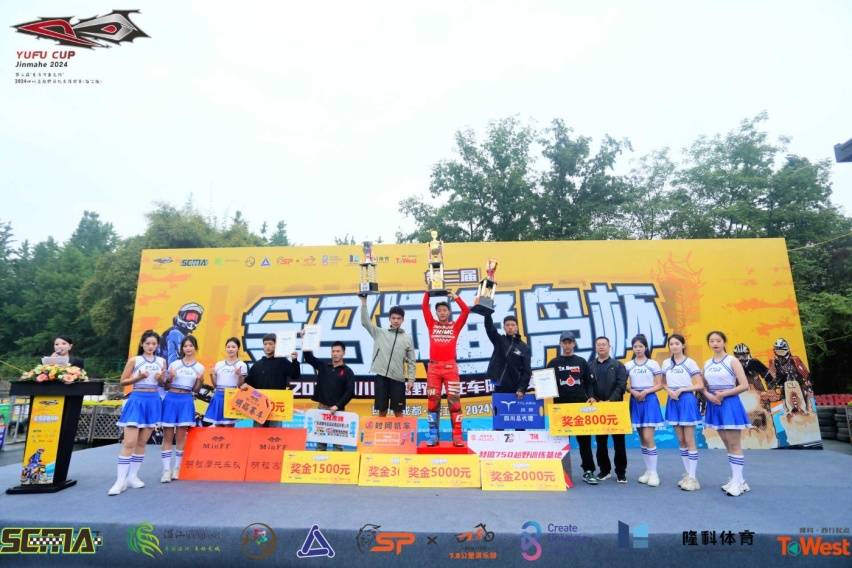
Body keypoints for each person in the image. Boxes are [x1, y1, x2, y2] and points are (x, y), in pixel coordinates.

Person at [110, 330, 166, 496]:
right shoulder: (135, 360)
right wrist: (138, 378)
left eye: (153, 344)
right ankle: (120, 481)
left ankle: (132, 477)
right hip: (136, 400)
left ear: (157, 345)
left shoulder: (162, 361)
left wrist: (161, 378)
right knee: (129, 442)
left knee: (142, 443)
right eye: (147, 343)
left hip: (153, 401)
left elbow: (163, 383)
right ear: (142, 344)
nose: (150, 346)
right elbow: (123, 381)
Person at [702, 330, 751, 497]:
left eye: (718, 340)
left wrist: (724, 394)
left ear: (724, 342)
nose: (715, 343)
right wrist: (709, 396)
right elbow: (703, 386)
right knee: (727, 444)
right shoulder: (707, 363)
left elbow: (744, 385)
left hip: (729, 404)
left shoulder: (732, 360)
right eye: (712, 341)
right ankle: (739, 480)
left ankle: (737, 482)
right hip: (715, 404)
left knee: (734, 444)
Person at [422, 289, 470, 446]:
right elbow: (424, 307)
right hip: (434, 368)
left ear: (449, 312)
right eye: (439, 310)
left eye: (444, 310)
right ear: (436, 312)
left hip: (451, 368)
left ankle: (457, 436)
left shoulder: (455, 326)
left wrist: (456, 297)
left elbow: (466, 311)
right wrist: (428, 292)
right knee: (432, 401)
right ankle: (433, 435)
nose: (442, 313)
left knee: (454, 402)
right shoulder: (431, 324)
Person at [546, 331, 595, 484]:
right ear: (560, 344)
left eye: (570, 342)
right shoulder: (553, 363)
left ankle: (588, 471)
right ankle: (561, 472)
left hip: (580, 408)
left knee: (585, 442)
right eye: (564, 342)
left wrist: (591, 396)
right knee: (561, 442)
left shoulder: (581, 361)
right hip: (560, 409)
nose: (567, 345)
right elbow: (545, 383)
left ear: (574, 343)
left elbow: (589, 383)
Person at [359, 295, 416, 417]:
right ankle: (380, 431)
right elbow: (365, 322)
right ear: (389, 319)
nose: (396, 321)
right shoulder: (379, 333)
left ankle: (400, 431)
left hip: (398, 379)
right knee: (382, 411)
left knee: (398, 412)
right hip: (381, 377)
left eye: (399, 318)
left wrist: (411, 380)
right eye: (393, 318)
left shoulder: (407, 338)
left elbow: (411, 361)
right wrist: (363, 302)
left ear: (402, 320)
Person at [661, 334, 703, 491]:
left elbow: (700, 384)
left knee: (689, 439)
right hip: (673, 401)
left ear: (683, 345)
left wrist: (682, 389)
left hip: (686, 400)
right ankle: (687, 474)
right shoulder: (666, 363)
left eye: (677, 343)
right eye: (671, 344)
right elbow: (662, 383)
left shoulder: (690, 362)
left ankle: (693, 478)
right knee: (681, 440)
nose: (674, 346)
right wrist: (669, 391)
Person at [161, 336, 204, 483]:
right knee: (167, 437)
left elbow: (196, 390)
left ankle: (177, 468)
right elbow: (166, 386)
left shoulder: (200, 367)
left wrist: (200, 381)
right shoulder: (174, 364)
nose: (188, 348)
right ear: (182, 348)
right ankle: (166, 471)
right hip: (171, 399)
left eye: (191, 346)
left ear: (195, 348)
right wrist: (170, 377)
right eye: (185, 346)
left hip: (186, 400)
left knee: (181, 437)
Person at [586, 336, 628, 483]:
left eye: (604, 344)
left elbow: (621, 385)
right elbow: (588, 385)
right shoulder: (590, 366)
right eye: (599, 344)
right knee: (601, 442)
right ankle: (604, 471)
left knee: (619, 443)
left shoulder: (618, 365)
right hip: (598, 409)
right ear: (595, 347)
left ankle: (621, 473)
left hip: (616, 408)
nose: (601, 347)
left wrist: (610, 401)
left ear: (609, 347)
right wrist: (592, 397)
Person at [626, 334, 664, 487]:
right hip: (635, 400)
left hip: (649, 400)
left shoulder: (653, 364)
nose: (638, 349)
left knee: (648, 437)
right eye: (635, 346)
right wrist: (633, 392)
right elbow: (624, 384)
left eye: (640, 346)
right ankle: (648, 471)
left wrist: (646, 392)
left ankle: (654, 473)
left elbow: (660, 384)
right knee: (642, 438)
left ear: (646, 347)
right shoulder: (628, 365)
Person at [303, 340, 355, 451]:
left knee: (338, 445)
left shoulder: (348, 371)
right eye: (333, 351)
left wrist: (337, 406)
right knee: (321, 444)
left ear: (343, 353)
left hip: (338, 410)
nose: (335, 353)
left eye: (338, 351)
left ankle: (337, 460)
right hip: (322, 408)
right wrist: (306, 340)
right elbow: (309, 358)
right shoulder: (323, 366)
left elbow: (350, 392)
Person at [242, 333, 300, 427]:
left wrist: (295, 361)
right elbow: (249, 383)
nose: (267, 346)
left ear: (275, 345)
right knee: (257, 433)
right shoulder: (257, 365)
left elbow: (295, 375)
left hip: (276, 406)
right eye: (265, 344)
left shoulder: (282, 361)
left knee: (275, 434)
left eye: (270, 344)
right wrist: (243, 383)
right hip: (259, 406)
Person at [483, 313, 531, 403]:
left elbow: (527, 371)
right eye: (507, 325)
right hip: (499, 387)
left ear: (517, 327)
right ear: (504, 327)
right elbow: (490, 328)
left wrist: (522, 389)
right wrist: (487, 314)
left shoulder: (524, 347)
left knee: (515, 412)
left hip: (515, 390)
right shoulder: (499, 340)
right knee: (499, 412)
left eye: (513, 325)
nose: (510, 327)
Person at [203, 337, 247, 427]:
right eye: (228, 347)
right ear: (226, 348)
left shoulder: (242, 365)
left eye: (233, 347)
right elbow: (215, 385)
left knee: (229, 426)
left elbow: (240, 385)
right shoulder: (219, 364)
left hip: (232, 397)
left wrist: (239, 375)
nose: (230, 349)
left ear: (238, 348)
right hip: (218, 396)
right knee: (218, 425)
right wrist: (212, 375)